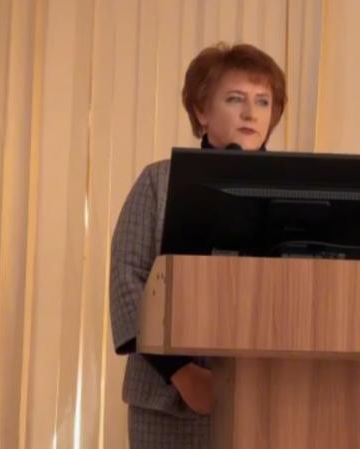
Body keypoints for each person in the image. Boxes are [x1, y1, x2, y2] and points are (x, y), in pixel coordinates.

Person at [109, 42, 287, 449]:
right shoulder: (157, 181)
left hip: (268, 398)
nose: (251, 112)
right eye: (235, 99)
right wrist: (182, 373)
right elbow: (127, 282)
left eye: (263, 101)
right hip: (169, 400)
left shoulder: (292, 189)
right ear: (202, 111)